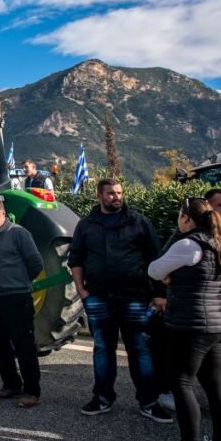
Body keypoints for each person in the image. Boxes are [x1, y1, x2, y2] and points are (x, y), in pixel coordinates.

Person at [149, 197, 221, 441]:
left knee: (182, 382)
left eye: (180, 216)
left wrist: (169, 276)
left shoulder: (188, 244)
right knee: (216, 387)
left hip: (192, 325)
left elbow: (154, 269)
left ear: (186, 218)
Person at [68, 178, 171, 422]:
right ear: (99, 196)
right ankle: (102, 398)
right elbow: (76, 259)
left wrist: (158, 294)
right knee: (103, 348)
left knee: (139, 348)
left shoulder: (138, 221)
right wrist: (81, 291)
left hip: (134, 296)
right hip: (99, 298)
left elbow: (154, 258)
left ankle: (149, 401)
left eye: (119, 192)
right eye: (111, 193)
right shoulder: (86, 225)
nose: (117, 197)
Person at [0, 199, 43, 408]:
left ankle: (32, 391)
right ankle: (11, 384)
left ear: (2, 213)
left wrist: (19, 282)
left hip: (16, 298)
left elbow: (35, 263)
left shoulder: (19, 234)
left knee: (24, 345)